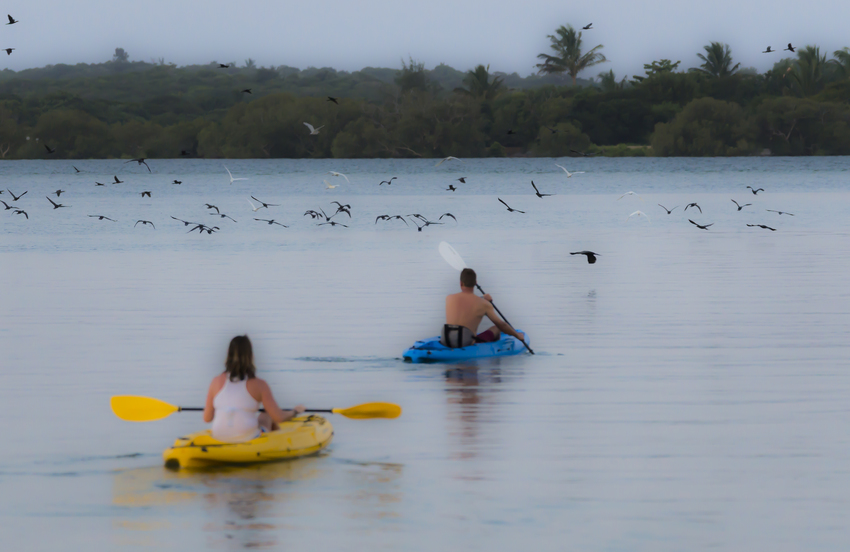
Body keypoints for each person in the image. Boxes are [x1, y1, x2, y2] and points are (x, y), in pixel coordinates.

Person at [203, 335, 305, 442]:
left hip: (219, 437)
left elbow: (207, 418)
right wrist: (295, 411)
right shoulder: (259, 385)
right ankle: (281, 444)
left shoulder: (215, 382)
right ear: (250, 356)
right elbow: (279, 417)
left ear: (228, 355)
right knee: (267, 414)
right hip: (248, 438)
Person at [442, 268, 525, 348]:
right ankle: (495, 351)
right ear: (475, 283)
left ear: (461, 283)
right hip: (466, 343)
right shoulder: (484, 304)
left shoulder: (449, 298)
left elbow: (466, 302)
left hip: (446, 341)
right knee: (496, 328)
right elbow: (501, 324)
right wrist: (517, 335)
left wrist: (483, 299)